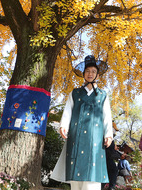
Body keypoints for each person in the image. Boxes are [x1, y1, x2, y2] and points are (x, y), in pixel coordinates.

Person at [50, 55, 114, 190]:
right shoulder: (75, 93)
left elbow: (107, 115)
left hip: (95, 137)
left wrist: (108, 134)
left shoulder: (102, 95)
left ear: (97, 75)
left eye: (93, 72)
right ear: (84, 74)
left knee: (93, 171)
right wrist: (63, 126)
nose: (90, 74)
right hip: (76, 136)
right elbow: (68, 111)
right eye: (88, 71)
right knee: (75, 170)